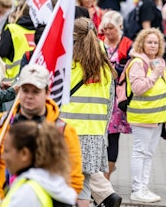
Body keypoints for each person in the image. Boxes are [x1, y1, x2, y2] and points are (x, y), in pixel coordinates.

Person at [0, 64, 84, 200]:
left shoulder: (62, 130)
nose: (29, 96)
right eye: (25, 90)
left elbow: (75, 181)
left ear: (47, 93)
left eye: (36, 91)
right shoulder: (1, 122)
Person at [59, 18, 117, 207]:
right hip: (94, 135)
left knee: (62, 186)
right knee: (84, 187)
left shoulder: (69, 66)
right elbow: (109, 106)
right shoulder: (106, 70)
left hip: (68, 133)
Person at [125, 28, 166, 203]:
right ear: (142, 43)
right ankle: (137, 189)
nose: (153, 45)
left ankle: (144, 187)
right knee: (140, 152)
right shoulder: (138, 63)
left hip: (156, 116)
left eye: (156, 42)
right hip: (143, 116)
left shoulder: (159, 61)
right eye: (149, 42)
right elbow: (138, 88)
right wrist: (154, 75)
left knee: (149, 153)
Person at [1, 121, 77, 206]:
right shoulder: (51, 183)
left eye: (6, 151)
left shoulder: (26, 193)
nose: (3, 157)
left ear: (24, 154)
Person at [98, 11, 132, 180]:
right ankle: (101, 169)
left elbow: (129, 69)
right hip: (99, 93)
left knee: (113, 136)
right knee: (98, 135)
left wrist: (113, 68)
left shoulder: (127, 44)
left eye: (111, 28)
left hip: (117, 96)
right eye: (105, 29)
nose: (108, 32)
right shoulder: (98, 43)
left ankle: (107, 175)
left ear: (119, 27)